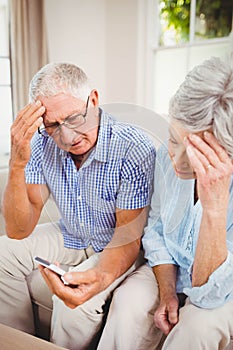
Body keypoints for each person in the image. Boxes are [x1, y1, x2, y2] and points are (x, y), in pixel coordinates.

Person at [0, 62, 155, 349]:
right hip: (74, 232)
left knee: (72, 306)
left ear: (93, 100)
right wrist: (17, 161)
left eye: (73, 118)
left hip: (120, 241)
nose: (68, 137)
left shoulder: (134, 147)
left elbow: (127, 237)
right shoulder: (42, 142)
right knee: (2, 252)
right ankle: (20, 343)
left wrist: (96, 278)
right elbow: (18, 229)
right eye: (53, 125)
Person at [98, 55, 233, 350]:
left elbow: (208, 294)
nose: (176, 159)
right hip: (175, 271)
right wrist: (168, 292)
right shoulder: (163, 157)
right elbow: (157, 231)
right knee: (128, 301)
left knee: (196, 327)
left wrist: (214, 206)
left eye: (196, 154)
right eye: (174, 139)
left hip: (224, 288)